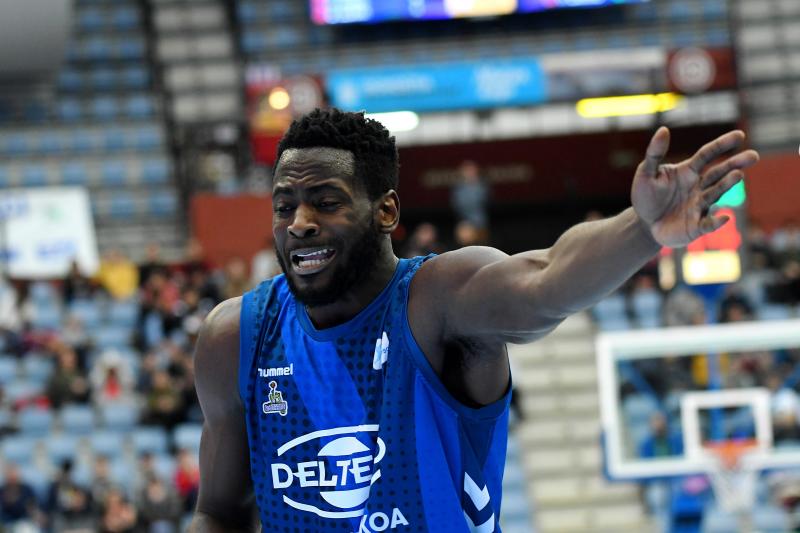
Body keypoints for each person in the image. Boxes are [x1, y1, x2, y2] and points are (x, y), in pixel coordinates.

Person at [189, 108, 758, 532]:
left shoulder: (438, 300)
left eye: (326, 201)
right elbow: (217, 514)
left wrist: (642, 230)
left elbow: (545, 281)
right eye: (285, 206)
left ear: (386, 210)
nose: (299, 223)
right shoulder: (235, 337)